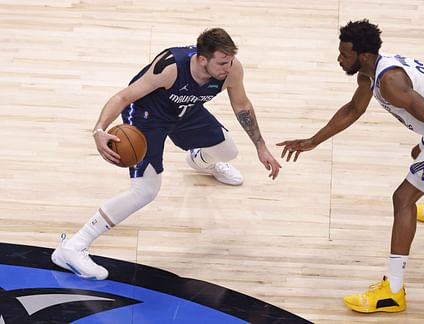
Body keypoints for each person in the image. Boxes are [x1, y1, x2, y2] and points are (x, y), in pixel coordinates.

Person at [277, 19, 424, 313]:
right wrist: (314, 140)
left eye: (344, 55)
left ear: (363, 56)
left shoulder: (389, 82)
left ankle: (392, 292)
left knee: (403, 198)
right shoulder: (370, 74)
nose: (339, 59)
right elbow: (354, 109)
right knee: (421, 159)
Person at [51, 27, 282, 280]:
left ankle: (200, 160)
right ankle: (73, 247)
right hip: (148, 117)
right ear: (202, 59)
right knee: (145, 190)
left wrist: (261, 146)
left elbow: (242, 105)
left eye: (230, 61)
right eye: (222, 63)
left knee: (228, 151)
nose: (228, 67)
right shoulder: (170, 67)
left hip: (186, 111)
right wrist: (98, 130)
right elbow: (123, 96)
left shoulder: (232, 70)